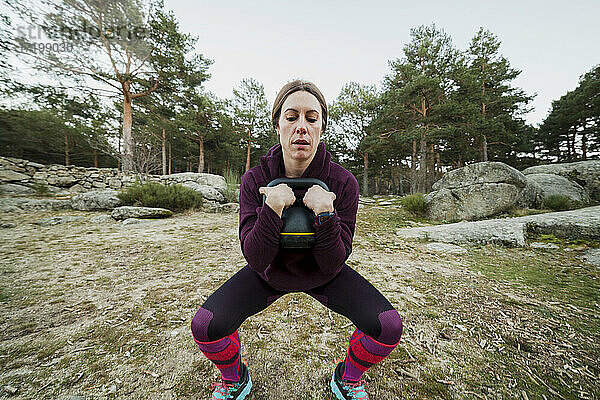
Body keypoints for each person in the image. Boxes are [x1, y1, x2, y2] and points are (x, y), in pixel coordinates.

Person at [190, 80, 403, 400]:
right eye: (291, 117)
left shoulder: (343, 183)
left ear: (321, 127)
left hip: (324, 274)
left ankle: (348, 378)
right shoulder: (255, 180)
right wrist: (272, 207)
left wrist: (326, 214)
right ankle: (235, 379)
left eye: (311, 118)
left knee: (388, 327)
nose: (301, 126)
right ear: (277, 124)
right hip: (270, 273)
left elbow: (334, 259)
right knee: (205, 326)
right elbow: (255, 257)